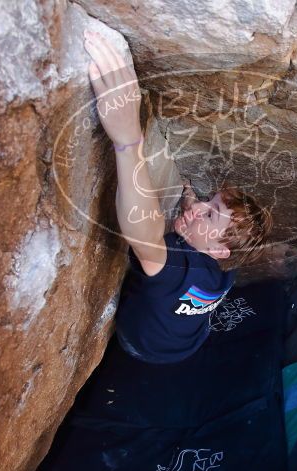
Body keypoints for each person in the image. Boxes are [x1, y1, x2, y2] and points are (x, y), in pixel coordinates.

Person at [83, 29, 273, 363]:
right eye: (210, 201)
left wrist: (128, 140)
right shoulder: (226, 263)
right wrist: (192, 203)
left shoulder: (177, 270)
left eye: (210, 213)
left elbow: (145, 238)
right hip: (189, 339)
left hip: (145, 347)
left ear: (218, 250)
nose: (199, 207)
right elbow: (202, 229)